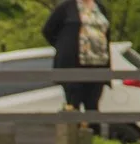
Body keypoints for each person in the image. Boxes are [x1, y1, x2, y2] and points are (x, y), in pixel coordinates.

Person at [43, 0, 111, 135]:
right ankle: (73, 142)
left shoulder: (100, 7)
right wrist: (65, 45)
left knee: (93, 107)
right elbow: (48, 30)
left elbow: (107, 33)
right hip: (73, 65)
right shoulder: (66, 7)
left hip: (98, 65)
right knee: (73, 105)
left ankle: (94, 142)